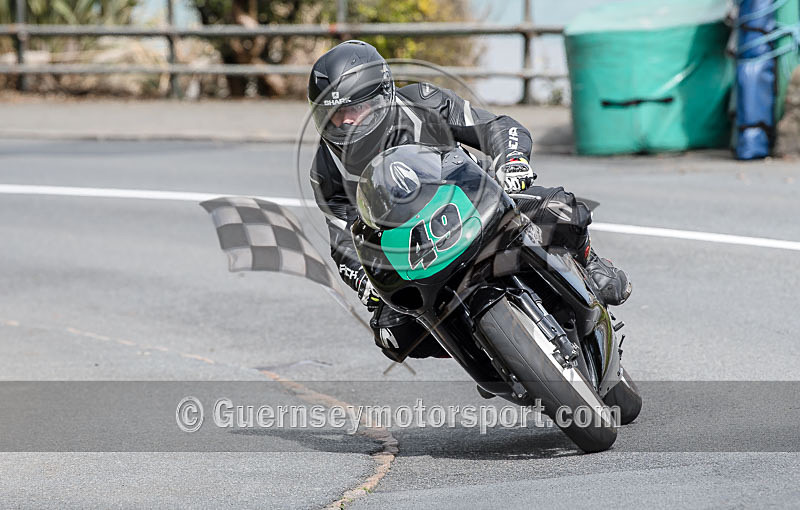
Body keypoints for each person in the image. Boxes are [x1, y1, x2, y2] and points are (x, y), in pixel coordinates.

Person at [307, 40, 631, 360]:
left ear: (383, 96)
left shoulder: (422, 102)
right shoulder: (326, 170)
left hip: (477, 201)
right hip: (414, 250)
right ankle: (493, 358)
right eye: (335, 114)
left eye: (355, 109)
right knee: (393, 334)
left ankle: (589, 262)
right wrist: (364, 281)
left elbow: (494, 127)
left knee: (559, 209)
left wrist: (512, 161)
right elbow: (343, 239)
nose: (346, 121)